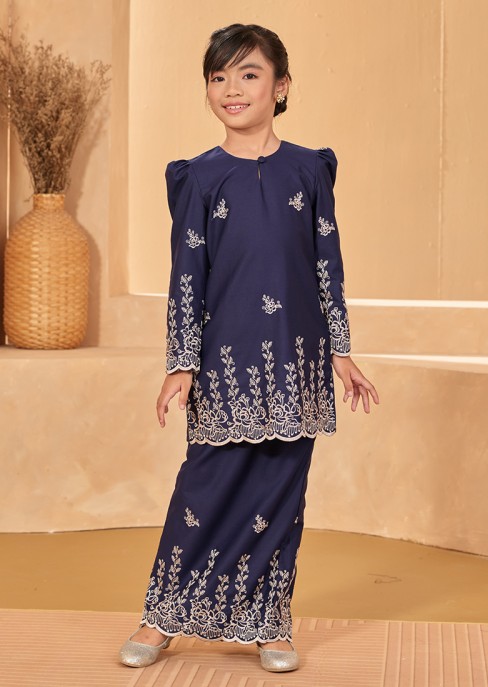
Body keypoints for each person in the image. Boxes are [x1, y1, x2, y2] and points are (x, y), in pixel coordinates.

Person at [119, 22, 379, 673]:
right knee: (203, 487)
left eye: (248, 74)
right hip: (226, 361)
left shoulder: (310, 169)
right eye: (219, 76)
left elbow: (327, 263)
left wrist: (341, 351)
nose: (231, 88)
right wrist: (181, 363)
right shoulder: (198, 177)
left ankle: (270, 621)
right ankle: (161, 616)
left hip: (299, 359)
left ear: (280, 86)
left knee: (280, 495)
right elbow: (187, 274)